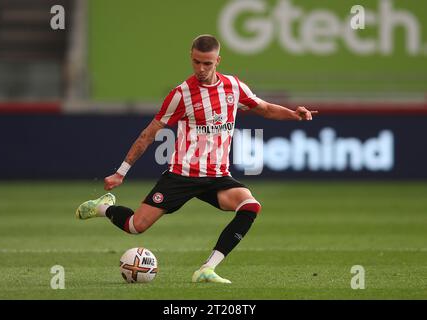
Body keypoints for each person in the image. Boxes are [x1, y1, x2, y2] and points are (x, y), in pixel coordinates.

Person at [76, 34, 317, 284]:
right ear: (191, 58)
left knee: (250, 206)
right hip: (182, 175)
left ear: (218, 61)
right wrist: (121, 172)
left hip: (217, 177)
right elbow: (148, 134)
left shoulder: (234, 87)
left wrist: (294, 115)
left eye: (207, 63)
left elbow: (264, 108)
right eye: (196, 62)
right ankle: (101, 207)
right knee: (136, 226)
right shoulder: (181, 94)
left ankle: (207, 268)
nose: (201, 69)